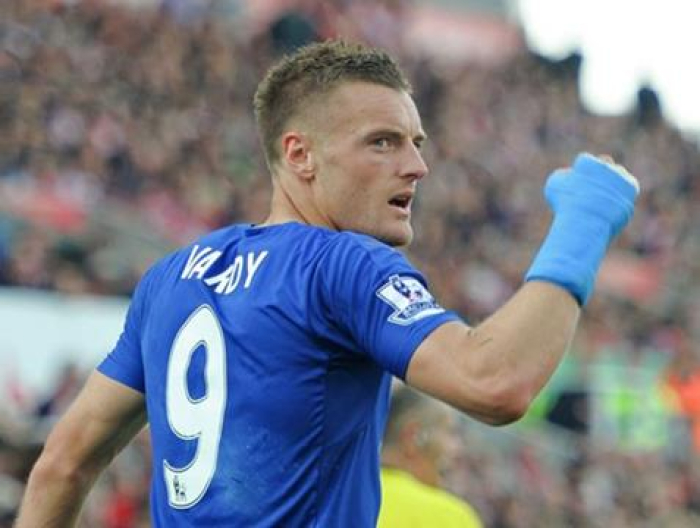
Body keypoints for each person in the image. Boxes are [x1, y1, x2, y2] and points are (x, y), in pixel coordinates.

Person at [15, 39, 640, 527]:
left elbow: (61, 466)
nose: (417, 166)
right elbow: (494, 381)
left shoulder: (169, 278)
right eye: (383, 143)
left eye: (416, 143)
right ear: (300, 155)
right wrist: (583, 225)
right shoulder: (341, 264)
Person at [377, 385, 483, 527]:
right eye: (450, 432)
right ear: (413, 436)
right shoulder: (451, 516)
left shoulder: (353, 497)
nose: (458, 448)